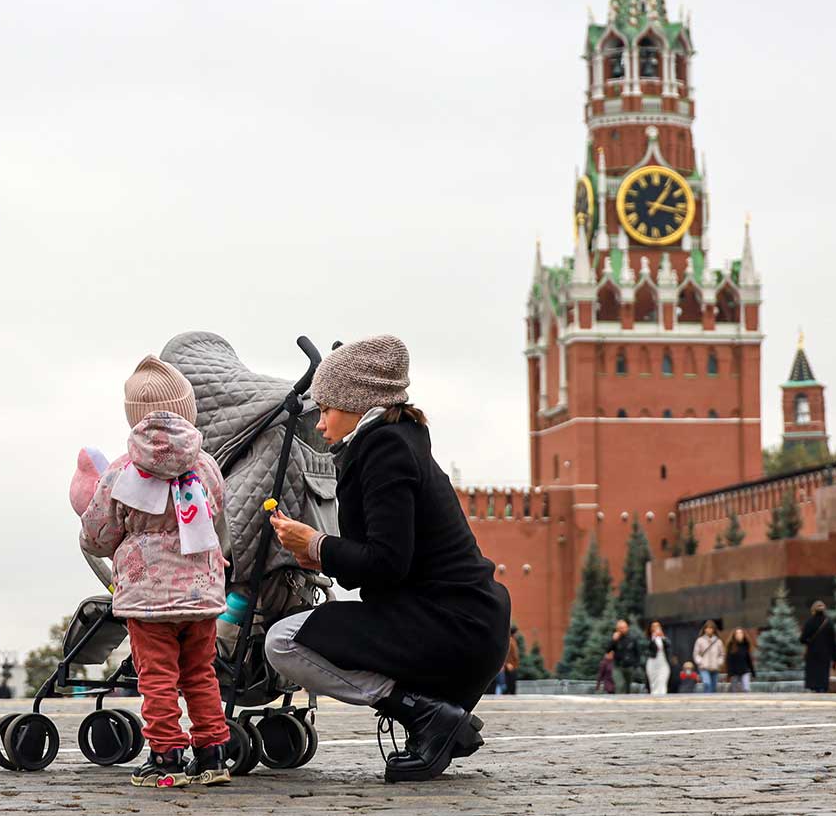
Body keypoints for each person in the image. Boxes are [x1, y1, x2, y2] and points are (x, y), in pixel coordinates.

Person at [263, 336, 510, 784]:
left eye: (327, 407)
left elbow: (387, 563)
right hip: (464, 623)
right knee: (309, 631)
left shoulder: (385, 450)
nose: (319, 423)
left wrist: (318, 544)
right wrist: (316, 556)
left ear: (356, 403)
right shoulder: (399, 440)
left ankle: (425, 714)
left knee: (282, 641)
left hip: (449, 627)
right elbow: (394, 559)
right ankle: (434, 721)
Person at [79, 356, 231, 788]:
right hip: (201, 595)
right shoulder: (205, 465)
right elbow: (220, 521)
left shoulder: (122, 473)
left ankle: (166, 756)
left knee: (157, 677)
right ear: (187, 410)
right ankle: (212, 753)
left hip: (147, 600)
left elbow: (97, 533)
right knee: (201, 672)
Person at [799, 601, 836, 693]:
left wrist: (809, 642)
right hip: (825, 654)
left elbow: (802, 639)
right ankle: (822, 689)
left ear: (813, 610)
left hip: (812, 653)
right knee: (823, 674)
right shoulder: (829, 623)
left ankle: (814, 689)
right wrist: (835, 659)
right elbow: (833, 643)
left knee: (814, 675)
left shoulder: (809, 622)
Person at [606, 619, 641, 694]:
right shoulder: (615, 638)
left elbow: (637, 652)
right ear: (617, 629)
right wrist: (613, 640)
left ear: (627, 628)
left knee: (628, 687)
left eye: (624, 627)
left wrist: (636, 665)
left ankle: (626, 703)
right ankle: (618, 702)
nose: (623, 629)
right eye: (621, 628)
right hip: (617, 667)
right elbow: (607, 650)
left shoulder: (632, 638)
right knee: (620, 685)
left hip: (629, 667)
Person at [692, 621, 724, 694]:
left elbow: (722, 654)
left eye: (711, 628)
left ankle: (712, 702)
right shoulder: (700, 640)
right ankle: (706, 699)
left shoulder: (718, 641)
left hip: (715, 667)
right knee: (707, 683)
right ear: (704, 629)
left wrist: (719, 662)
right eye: (707, 628)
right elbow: (696, 654)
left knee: (713, 687)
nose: (709, 630)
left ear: (713, 629)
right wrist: (700, 661)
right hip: (704, 667)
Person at [643, 621, 671, 695]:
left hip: (663, 661)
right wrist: (653, 638)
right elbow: (646, 647)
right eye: (654, 626)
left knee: (663, 679)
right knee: (654, 682)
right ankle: (655, 696)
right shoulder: (648, 638)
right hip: (653, 661)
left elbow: (668, 644)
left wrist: (662, 637)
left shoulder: (662, 638)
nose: (656, 628)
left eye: (658, 626)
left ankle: (663, 694)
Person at [725, 627, 756, 692]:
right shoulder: (730, 646)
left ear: (743, 635)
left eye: (741, 633)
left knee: (746, 689)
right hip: (734, 673)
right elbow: (729, 661)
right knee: (735, 691)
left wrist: (753, 672)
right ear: (734, 635)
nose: (739, 635)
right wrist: (729, 673)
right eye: (737, 633)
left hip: (744, 671)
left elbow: (749, 660)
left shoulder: (746, 645)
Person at [498, 627, 520, 695]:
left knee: (512, 685)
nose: (517, 634)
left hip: (513, 665)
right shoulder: (510, 641)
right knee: (509, 685)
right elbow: (505, 653)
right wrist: (506, 663)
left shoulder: (513, 641)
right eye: (516, 633)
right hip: (510, 666)